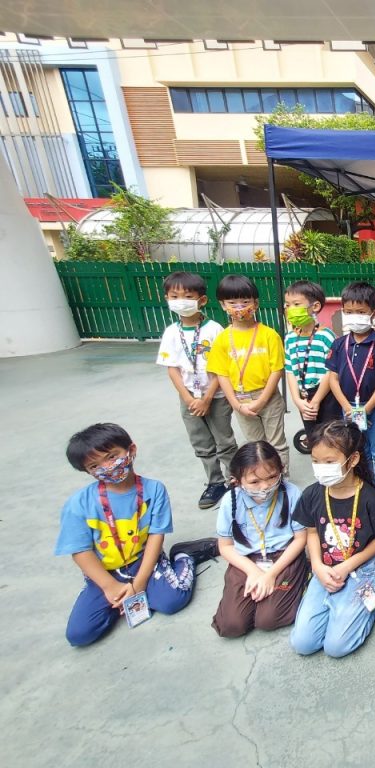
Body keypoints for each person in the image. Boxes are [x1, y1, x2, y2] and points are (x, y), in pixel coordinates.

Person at [56, 423, 217, 647]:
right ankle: (122, 596)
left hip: (144, 560)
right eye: (94, 465)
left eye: (112, 456)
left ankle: (184, 556)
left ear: (131, 450)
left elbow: (155, 536)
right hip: (106, 572)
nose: (107, 467)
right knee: (79, 635)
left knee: (172, 602)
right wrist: (110, 587)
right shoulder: (78, 504)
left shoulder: (154, 490)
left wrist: (139, 583)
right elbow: (80, 551)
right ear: (87, 471)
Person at [291, 422, 375, 657]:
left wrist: (348, 566)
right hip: (325, 567)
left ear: (353, 459)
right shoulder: (312, 493)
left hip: (362, 567)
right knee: (303, 643)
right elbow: (311, 531)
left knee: (337, 647)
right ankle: (343, 608)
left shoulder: (371, 498)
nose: (321, 468)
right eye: (316, 461)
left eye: (329, 462)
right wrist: (317, 566)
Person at [156, 270, 237, 509]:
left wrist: (208, 397)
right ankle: (215, 482)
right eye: (174, 296)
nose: (181, 301)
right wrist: (189, 398)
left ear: (202, 300)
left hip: (217, 395)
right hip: (189, 398)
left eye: (188, 296)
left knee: (224, 440)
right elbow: (172, 369)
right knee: (201, 442)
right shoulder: (171, 333)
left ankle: (235, 478)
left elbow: (223, 368)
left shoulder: (215, 329)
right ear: (167, 299)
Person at [211, 441, 308, 637]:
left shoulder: (292, 493)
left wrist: (271, 575)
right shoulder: (230, 501)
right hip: (247, 559)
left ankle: (302, 578)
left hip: (283, 557)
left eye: (272, 477)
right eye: (254, 482)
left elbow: (300, 539)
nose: (265, 487)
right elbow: (226, 546)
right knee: (232, 625)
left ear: (281, 470)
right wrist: (253, 572)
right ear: (236, 480)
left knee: (268, 619)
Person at [206, 274, 290, 473]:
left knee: (277, 443)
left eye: (245, 302)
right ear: (223, 305)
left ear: (256, 304)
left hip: (269, 397)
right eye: (232, 303)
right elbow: (221, 375)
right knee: (255, 445)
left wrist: (262, 400)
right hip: (240, 399)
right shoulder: (222, 339)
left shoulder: (269, 335)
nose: (239, 307)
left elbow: (277, 370)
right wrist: (236, 405)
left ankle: (282, 479)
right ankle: (262, 478)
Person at [326, 281, 375, 496]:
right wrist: (347, 407)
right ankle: (366, 489)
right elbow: (333, 379)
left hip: (374, 408)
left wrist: (366, 409)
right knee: (358, 451)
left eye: (360, 312)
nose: (354, 316)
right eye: (349, 312)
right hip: (348, 408)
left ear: (373, 313)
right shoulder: (339, 345)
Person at [283, 279, 338, 440]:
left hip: (326, 395)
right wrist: (297, 400)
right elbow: (290, 371)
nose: (290, 309)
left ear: (315, 306)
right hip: (304, 397)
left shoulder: (326, 336)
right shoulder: (290, 338)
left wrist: (317, 400)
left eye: (296, 304)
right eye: (287, 305)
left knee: (331, 438)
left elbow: (331, 371)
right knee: (313, 438)